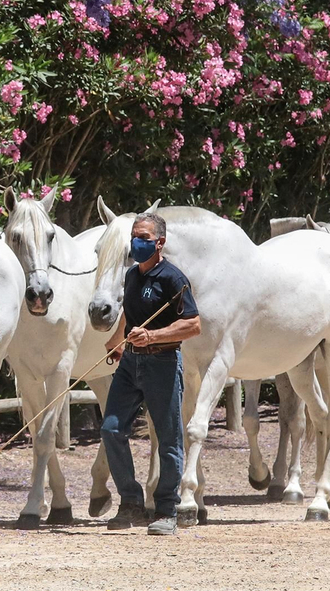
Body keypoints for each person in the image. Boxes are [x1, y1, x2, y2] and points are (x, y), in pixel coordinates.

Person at [100, 212, 202, 535]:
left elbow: (193, 324)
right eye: (134, 236)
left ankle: (166, 509)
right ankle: (130, 501)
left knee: (169, 440)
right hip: (130, 364)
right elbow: (129, 314)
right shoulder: (131, 276)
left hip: (163, 364)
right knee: (111, 430)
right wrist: (116, 342)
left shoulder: (173, 279)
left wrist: (154, 337)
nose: (136, 243)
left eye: (143, 237)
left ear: (160, 242)